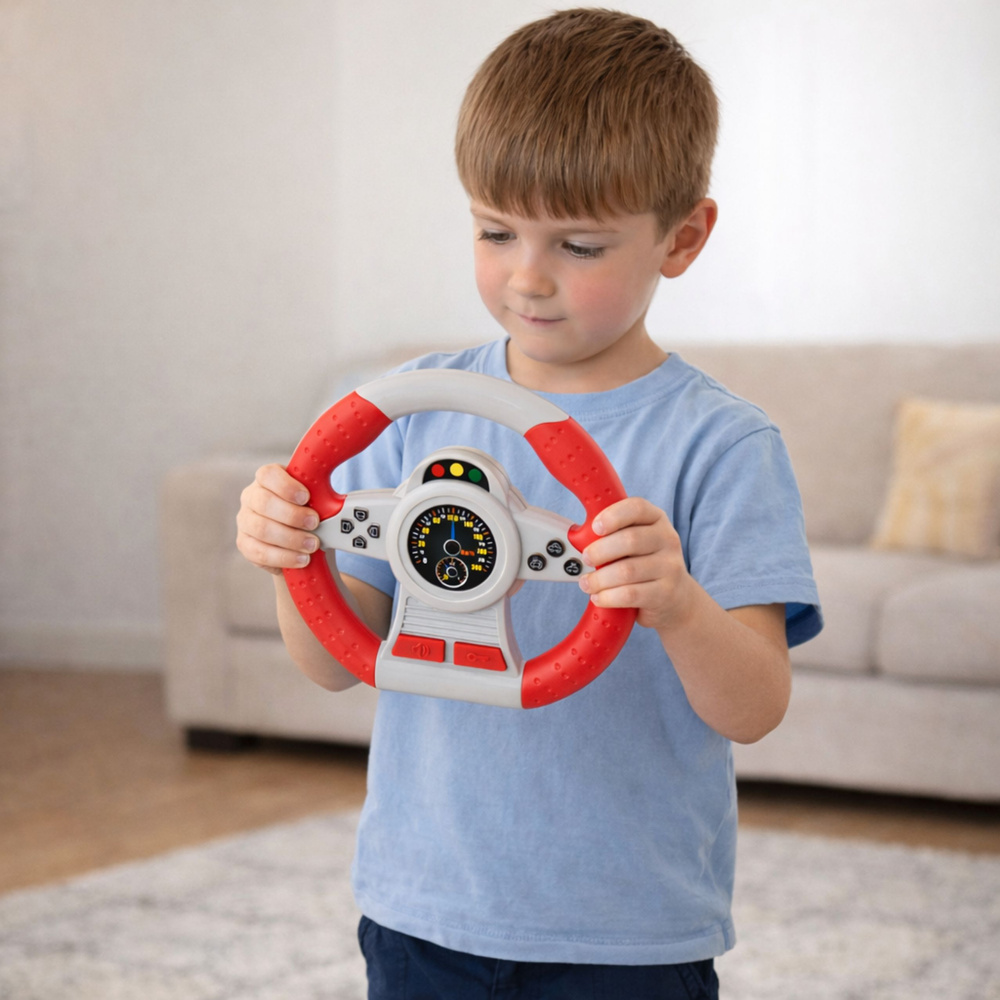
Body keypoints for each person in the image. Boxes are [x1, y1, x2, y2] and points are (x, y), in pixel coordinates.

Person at [236, 8, 822, 998]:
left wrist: (677, 604)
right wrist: (296, 553)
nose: (526, 277)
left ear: (682, 238)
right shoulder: (410, 411)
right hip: (421, 908)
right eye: (494, 231)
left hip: (627, 935)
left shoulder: (722, 444)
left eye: (579, 245)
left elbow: (756, 706)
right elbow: (337, 662)